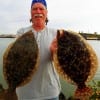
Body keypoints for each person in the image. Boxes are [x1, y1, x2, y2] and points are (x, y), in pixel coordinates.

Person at [16, 0, 61, 100]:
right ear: (30, 12)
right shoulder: (22, 32)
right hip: (25, 93)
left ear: (46, 12)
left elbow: (61, 64)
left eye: (41, 8)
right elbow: (16, 60)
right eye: (34, 9)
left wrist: (55, 53)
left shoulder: (56, 33)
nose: (38, 11)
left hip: (50, 92)